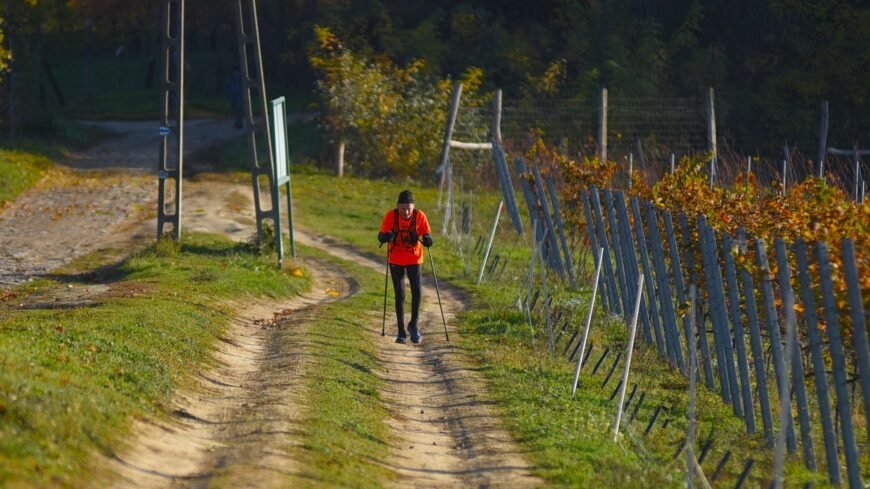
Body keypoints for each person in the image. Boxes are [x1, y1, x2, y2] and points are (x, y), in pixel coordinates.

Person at [378, 190, 434, 344]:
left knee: (417, 290)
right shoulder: (392, 215)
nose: (406, 212)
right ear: (398, 206)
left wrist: (428, 239)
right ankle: (401, 331)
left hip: (414, 258)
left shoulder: (419, 216)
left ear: (413, 206)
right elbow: (380, 235)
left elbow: (427, 234)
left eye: (409, 208)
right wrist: (387, 236)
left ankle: (413, 326)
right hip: (396, 257)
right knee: (400, 293)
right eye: (403, 208)